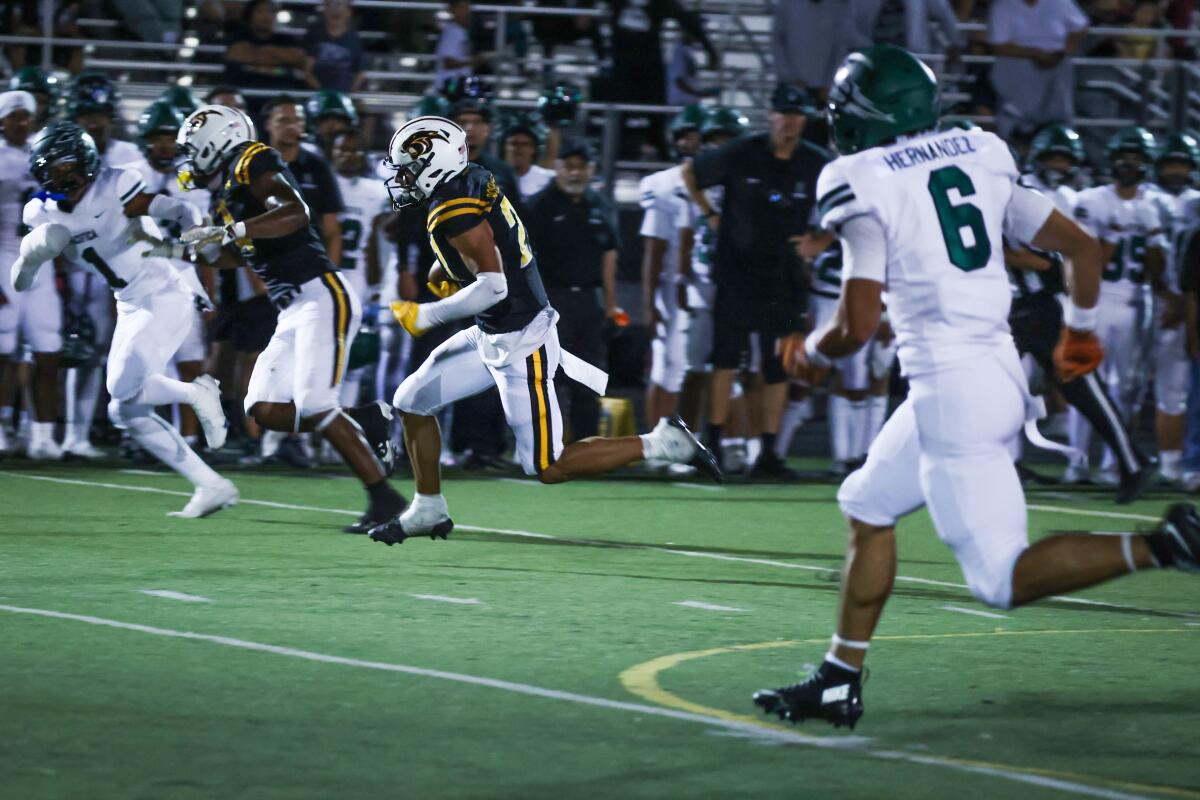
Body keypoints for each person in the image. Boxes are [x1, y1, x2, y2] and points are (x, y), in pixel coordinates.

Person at [751, 44, 1200, 731]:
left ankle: (1165, 545)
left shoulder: (858, 177)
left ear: (862, 115)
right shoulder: (976, 150)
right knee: (867, 501)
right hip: (998, 370)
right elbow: (1083, 249)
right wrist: (1079, 335)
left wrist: (807, 351)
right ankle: (840, 678)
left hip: (950, 393)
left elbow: (858, 322)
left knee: (1000, 579)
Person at [372, 116, 719, 544]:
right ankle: (428, 507)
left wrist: (427, 315)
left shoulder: (452, 208)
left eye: (408, 167)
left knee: (548, 465)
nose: (402, 178)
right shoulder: (472, 179)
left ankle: (664, 442)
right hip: (493, 331)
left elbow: (493, 286)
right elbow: (488, 246)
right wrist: (448, 268)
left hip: (521, 339)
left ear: (436, 163)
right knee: (411, 401)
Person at [176, 104, 407, 533]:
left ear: (215, 140)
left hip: (322, 295)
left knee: (317, 403)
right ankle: (367, 419)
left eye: (193, 147)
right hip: (291, 308)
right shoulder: (225, 192)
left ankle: (385, 499)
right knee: (262, 407)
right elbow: (239, 254)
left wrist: (232, 231)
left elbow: (295, 212)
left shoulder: (252, 161)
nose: (190, 157)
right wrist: (196, 248)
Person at [16, 121, 236, 516]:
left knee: (120, 386)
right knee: (125, 410)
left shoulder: (117, 184)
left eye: (68, 167)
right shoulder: (40, 212)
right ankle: (211, 485)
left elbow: (183, 210)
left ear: (85, 162)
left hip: (163, 291)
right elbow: (22, 281)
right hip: (129, 302)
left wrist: (199, 272)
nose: (61, 176)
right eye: (53, 169)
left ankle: (195, 394)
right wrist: (29, 259)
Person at [681, 84, 830, 478]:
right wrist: (712, 216)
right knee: (724, 357)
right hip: (737, 269)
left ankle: (768, 452)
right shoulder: (743, 151)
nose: (790, 121)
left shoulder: (816, 162)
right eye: (784, 113)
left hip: (785, 274)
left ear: (804, 120)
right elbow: (690, 172)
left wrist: (820, 241)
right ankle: (711, 445)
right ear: (772, 115)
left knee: (778, 365)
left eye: (797, 114)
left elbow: (848, 203)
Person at [1008, 123, 1148, 501]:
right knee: (1000, 391)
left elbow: (1048, 263)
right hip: (1006, 310)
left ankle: (1132, 460)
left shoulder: (1019, 198)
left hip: (1041, 308)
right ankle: (1004, 463)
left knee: (1083, 388)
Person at [1068, 128, 1166, 485]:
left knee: (1128, 387)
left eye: (1137, 157)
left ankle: (1114, 464)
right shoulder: (1090, 199)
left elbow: (1158, 268)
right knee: (1084, 380)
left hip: (1138, 301)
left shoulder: (1156, 204)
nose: (1129, 164)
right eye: (1125, 156)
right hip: (1098, 298)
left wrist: (1151, 235)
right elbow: (1084, 257)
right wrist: (1113, 234)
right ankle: (1076, 461)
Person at [123, 100, 214, 451]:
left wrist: (207, 287)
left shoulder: (192, 181)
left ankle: (189, 435)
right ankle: (142, 436)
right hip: (138, 278)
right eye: (156, 138)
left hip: (182, 275)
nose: (163, 145)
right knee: (143, 363)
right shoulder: (127, 175)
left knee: (190, 360)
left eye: (168, 138)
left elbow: (203, 241)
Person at [526, 140, 622, 442]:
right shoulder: (538, 206)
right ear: (557, 168)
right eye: (569, 166)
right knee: (546, 377)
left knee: (589, 377)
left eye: (581, 166)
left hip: (588, 302)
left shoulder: (601, 206)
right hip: (551, 303)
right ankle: (542, 442)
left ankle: (586, 444)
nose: (575, 173)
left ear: (591, 170)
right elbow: (524, 260)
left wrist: (610, 306)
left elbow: (609, 257)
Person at [803, 227, 896, 475]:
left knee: (878, 377)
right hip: (856, 284)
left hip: (892, 290)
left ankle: (866, 454)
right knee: (851, 380)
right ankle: (846, 457)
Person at [0, 90, 62, 458]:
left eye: (27, 116)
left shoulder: (45, 155)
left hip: (42, 259)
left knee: (49, 349)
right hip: (4, 256)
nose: (22, 122)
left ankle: (42, 434)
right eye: (15, 116)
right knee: (3, 349)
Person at [640, 106, 705, 433]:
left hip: (714, 286)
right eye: (687, 137)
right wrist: (649, 303)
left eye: (699, 137)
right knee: (670, 368)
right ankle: (657, 444)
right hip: (674, 288)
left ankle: (700, 446)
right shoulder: (662, 185)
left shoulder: (725, 180)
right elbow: (655, 250)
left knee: (706, 370)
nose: (692, 144)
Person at [1148, 132, 1200, 485]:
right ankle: (1114, 461)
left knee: (1176, 387)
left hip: (1182, 297)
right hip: (1147, 294)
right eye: (1170, 164)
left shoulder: (1195, 202)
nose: (1176, 171)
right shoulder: (1146, 199)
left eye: (1182, 164)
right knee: (1127, 385)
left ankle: (1175, 461)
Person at [330, 127, 393, 411]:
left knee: (355, 358)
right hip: (324, 279)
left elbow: (374, 245)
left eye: (355, 150)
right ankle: (306, 433)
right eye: (343, 149)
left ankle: (343, 425)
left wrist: (376, 286)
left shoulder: (375, 192)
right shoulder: (323, 184)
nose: (349, 155)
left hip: (357, 280)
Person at [987, 0, 1089, 141]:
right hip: (1017, 68)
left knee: (1062, 110)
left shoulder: (1060, 2)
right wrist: (1036, 54)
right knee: (1013, 114)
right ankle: (1011, 145)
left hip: (1057, 64)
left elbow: (1080, 26)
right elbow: (999, 45)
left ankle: (1065, 142)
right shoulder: (1003, 6)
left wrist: (1063, 52)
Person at [224, 0, 308, 113]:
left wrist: (258, 52)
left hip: (282, 98)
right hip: (245, 97)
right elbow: (237, 54)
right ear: (250, 15)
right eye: (260, 11)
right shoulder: (238, 37)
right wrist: (278, 56)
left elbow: (297, 58)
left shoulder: (286, 39)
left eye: (270, 12)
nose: (266, 16)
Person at [302, 0, 365, 93]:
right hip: (318, 94)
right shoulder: (314, 33)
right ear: (325, 10)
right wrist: (323, 93)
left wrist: (347, 95)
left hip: (344, 94)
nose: (336, 9)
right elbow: (307, 71)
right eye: (331, 4)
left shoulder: (354, 39)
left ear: (349, 13)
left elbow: (360, 73)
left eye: (340, 4)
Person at [502, 115, 555, 202]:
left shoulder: (548, 179)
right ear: (504, 148)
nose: (518, 148)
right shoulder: (490, 177)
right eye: (513, 143)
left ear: (534, 150)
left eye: (525, 144)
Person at [435, 0, 487, 88]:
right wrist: (475, 61)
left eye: (467, 7)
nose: (466, 11)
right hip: (450, 87)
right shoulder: (452, 32)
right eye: (462, 8)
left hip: (459, 86)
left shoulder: (461, 31)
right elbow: (448, 63)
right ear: (453, 10)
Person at [305, 89, 358, 159]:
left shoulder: (357, 157)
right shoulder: (304, 155)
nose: (331, 126)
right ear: (314, 123)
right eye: (324, 119)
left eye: (338, 120)